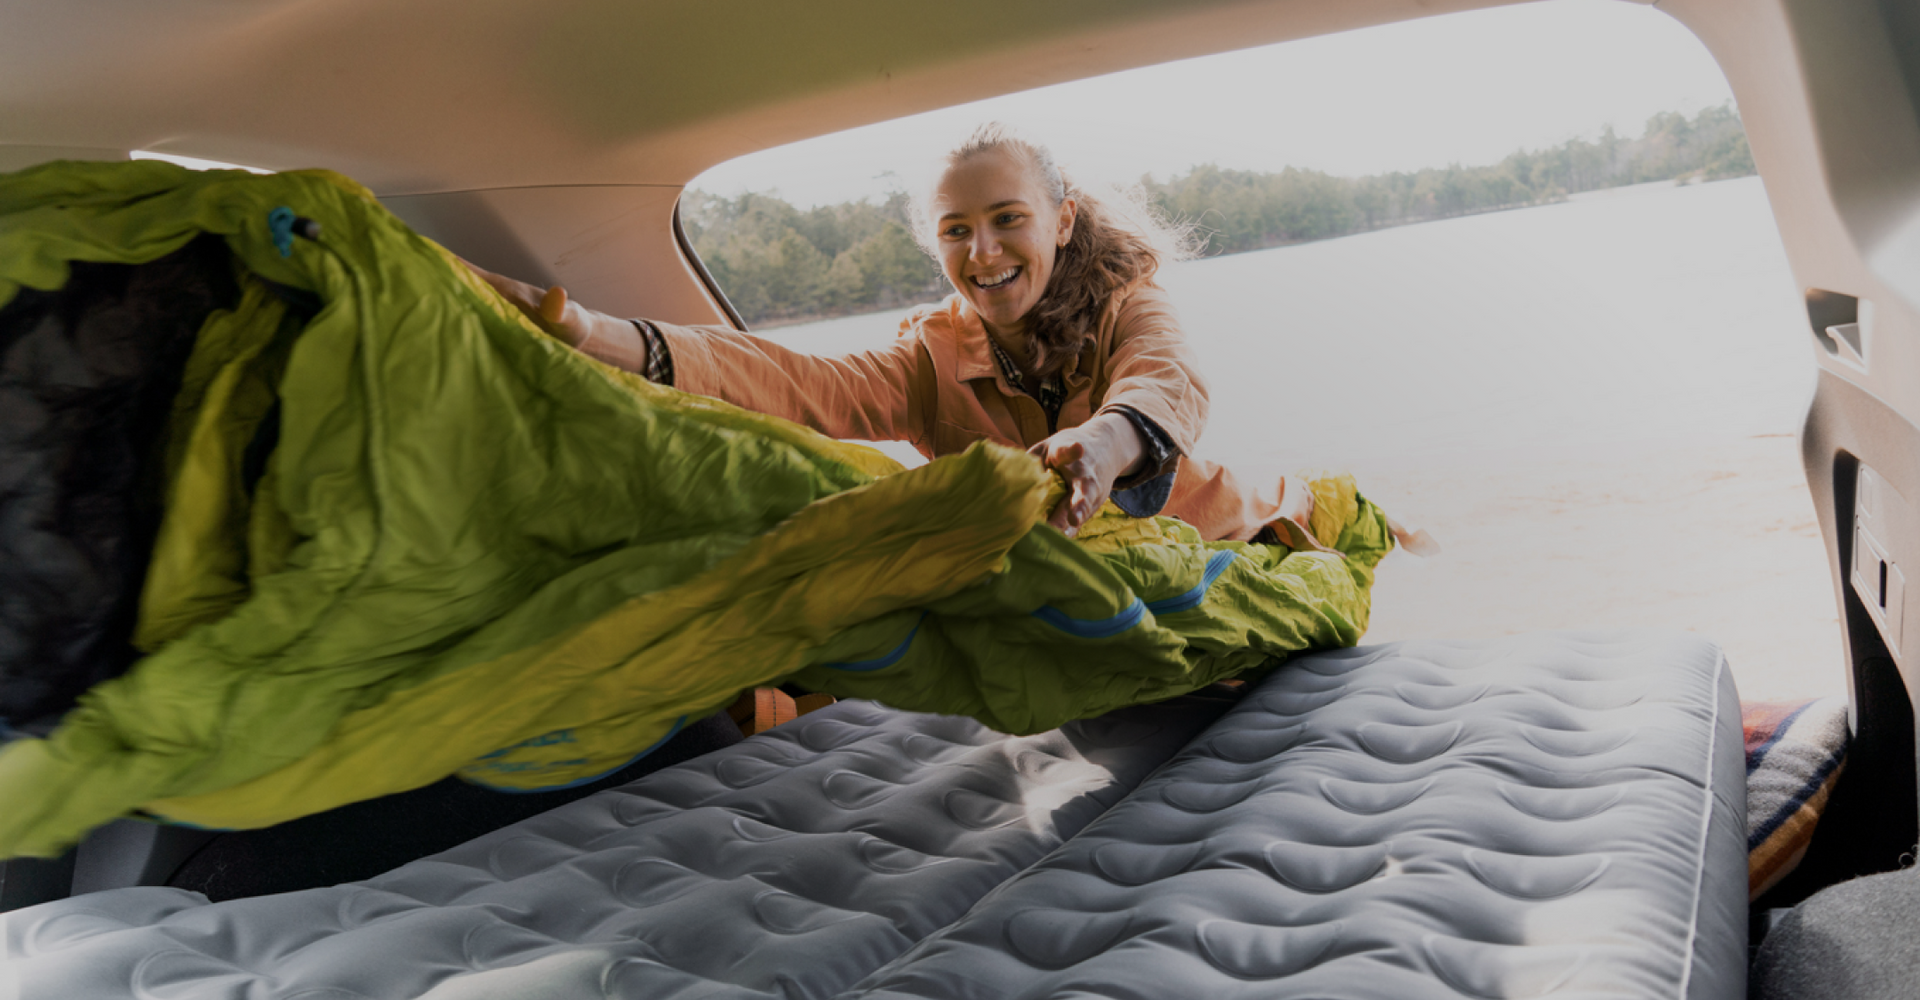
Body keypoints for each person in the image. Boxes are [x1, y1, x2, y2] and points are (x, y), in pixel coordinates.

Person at [471, 123, 1321, 546]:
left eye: (1007, 219)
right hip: (1080, 595)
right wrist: (588, 331)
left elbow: (1166, 381)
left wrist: (1101, 446)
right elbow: (796, 381)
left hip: (1232, 538)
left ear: (1061, 223)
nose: (982, 253)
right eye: (956, 230)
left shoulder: (1128, 303)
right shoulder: (932, 359)